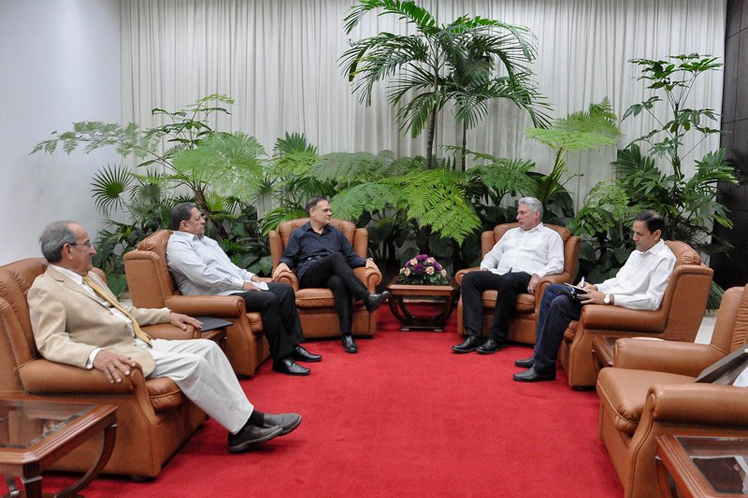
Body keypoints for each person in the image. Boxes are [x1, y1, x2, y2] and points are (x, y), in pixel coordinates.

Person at [27, 221, 301, 453]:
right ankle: (244, 428)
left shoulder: (90, 278)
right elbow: (50, 341)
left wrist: (166, 315)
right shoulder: (46, 289)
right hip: (122, 355)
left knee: (208, 349)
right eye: (87, 244)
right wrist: (95, 356)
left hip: (140, 342)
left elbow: (126, 310)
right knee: (194, 365)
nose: (94, 250)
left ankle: (251, 419)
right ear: (67, 250)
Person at [514, 209, 676, 382]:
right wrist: (596, 287)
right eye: (634, 232)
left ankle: (543, 368)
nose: (634, 238)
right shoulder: (638, 253)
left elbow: (652, 301)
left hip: (619, 307)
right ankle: (540, 354)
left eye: (639, 234)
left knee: (561, 303)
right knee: (551, 290)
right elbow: (619, 280)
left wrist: (607, 298)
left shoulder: (664, 259)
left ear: (657, 234)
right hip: (607, 298)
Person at [167, 202, 320, 377]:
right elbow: (202, 275)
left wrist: (251, 277)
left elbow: (230, 267)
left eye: (201, 217)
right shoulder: (178, 246)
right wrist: (240, 284)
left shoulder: (206, 241)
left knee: (284, 290)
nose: (203, 221)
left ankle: (293, 347)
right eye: (198, 218)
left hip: (230, 287)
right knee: (269, 299)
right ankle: (282, 359)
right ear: (184, 225)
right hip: (214, 295)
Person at [275, 197, 389, 353]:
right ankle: (365, 296)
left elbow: (350, 257)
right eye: (325, 210)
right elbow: (289, 257)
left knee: (339, 283)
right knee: (336, 257)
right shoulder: (299, 234)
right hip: (310, 274)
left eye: (330, 210)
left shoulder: (336, 234)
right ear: (313, 212)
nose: (330, 213)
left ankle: (347, 335)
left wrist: (366, 261)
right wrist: (282, 264)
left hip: (331, 275)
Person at [453, 197, 565, 354]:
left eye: (522, 213)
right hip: (502, 273)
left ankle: (496, 338)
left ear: (536, 215)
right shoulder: (510, 234)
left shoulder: (551, 236)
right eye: (518, 213)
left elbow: (557, 263)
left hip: (525, 277)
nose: (518, 217)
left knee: (509, 280)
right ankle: (474, 335)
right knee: (471, 278)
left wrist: (538, 275)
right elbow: (493, 255)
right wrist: (485, 269)